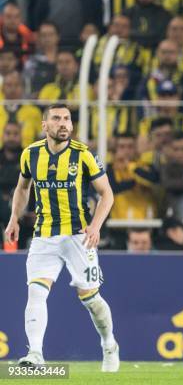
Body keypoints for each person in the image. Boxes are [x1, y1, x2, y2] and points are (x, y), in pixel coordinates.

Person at [3, 104, 119, 371]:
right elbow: (22, 188)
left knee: (90, 299)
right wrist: (14, 219)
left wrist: (95, 226)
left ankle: (109, 343)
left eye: (67, 118)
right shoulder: (30, 154)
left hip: (79, 236)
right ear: (45, 125)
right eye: (56, 118)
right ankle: (35, 354)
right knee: (36, 292)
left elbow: (107, 194)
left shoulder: (84, 155)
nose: (63, 123)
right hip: (43, 235)